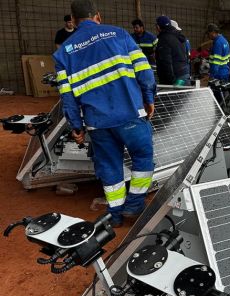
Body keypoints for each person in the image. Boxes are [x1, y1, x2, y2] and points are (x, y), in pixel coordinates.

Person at [53, 0, 156, 228]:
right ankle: (135, 204)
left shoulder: (63, 54)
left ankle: (115, 214)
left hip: (97, 123)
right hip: (130, 114)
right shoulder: (119, 34)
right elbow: (144, 71)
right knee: (143, 157)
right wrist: (148, 99)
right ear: (97, 16)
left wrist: (76, 127)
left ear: (74, 20)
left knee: (109, 167)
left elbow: (67, 97)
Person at [155, 15, 189, 86]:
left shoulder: (163, 39)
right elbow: (186, 56)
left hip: (175, 78)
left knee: (172, 96)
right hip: (184, 73)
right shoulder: (180, 37)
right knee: (184, 96)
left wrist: (169, 81)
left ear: (158, 26)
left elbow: (166, 61)